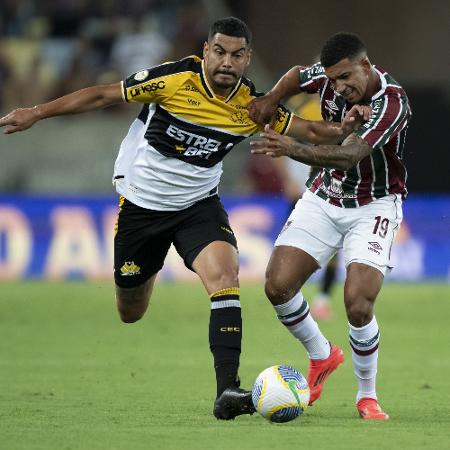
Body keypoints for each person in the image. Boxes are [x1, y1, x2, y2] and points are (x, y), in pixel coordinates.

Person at [0, 19, 368, 421]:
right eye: (220, 51)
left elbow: (310, 130)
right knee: (131, 310)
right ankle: (149, 270)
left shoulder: (252, 106)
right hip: (142, 208)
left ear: (247, 59)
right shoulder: (175, 79)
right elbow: (104, 94)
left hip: (198, 206)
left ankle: (227, 389)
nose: (227, 61)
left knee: (226, 279)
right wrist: (35, 112)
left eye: (237, 54)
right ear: (206, 51)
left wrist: (344, 128)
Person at [248, 32, 411, 420]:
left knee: (357, 303)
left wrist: (292, 148)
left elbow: (350, 155)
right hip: (325, 197)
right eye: (334, 80)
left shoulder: (392, 103)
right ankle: (322, 355)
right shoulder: (327, 76)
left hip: (374, 205)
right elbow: (294, 76)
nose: (339, 87)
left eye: (346, 78)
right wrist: (271, 99)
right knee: (277, 285)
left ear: (366, 66)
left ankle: (366, 396)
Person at [273, 92, 338, 321]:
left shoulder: (341, 107)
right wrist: (287, 179)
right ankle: (289, 296)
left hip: (331, 185)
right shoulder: (297, 105)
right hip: (301, 183)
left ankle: (323, 299)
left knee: (334, 246)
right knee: (292, 242)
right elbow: (280, 139)